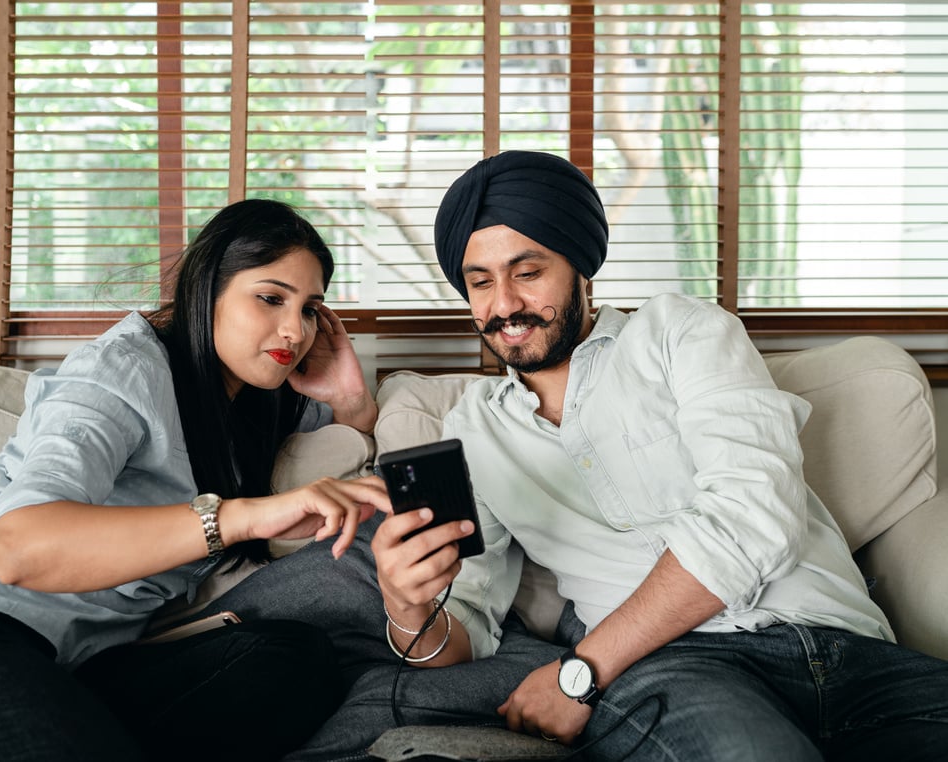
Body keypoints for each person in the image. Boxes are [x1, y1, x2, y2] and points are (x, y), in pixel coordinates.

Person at [369, 150, 948, 760]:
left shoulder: (684, 333)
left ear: (581, 268)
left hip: (847, 648)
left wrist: (582, 670)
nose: (504, 305)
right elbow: (466, 627)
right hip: (676, 671)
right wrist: (405, 604)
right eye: (481, 282)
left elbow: (752, 516)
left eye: (528, 272)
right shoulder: (475, 430)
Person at [0, 198, 393, 762]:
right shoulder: (123, 368)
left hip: (76, 667)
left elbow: (352, 425)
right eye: (271, 298)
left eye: (311, 309)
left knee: (297, 661)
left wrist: (349, 399)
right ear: (205, 290)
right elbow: (20, 547)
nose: (295, 329)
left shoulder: (258, 402)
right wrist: (242, 517)